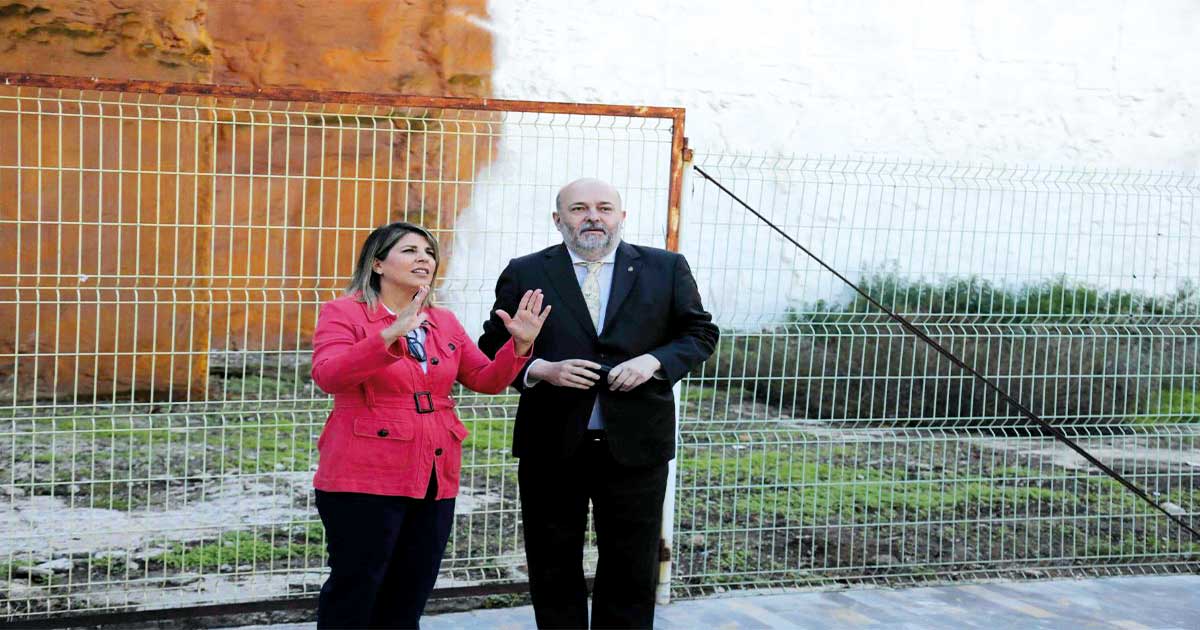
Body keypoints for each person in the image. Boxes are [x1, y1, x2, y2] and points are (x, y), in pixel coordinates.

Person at [479, 178, 719, 628]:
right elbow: (492, 345)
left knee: (631, 567)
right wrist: (542, 369)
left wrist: (653, 362)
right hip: (551, 443)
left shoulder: (665, 268)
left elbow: (700, 333)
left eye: (605, 208)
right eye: (579, 209)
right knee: (552, 564)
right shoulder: (525, 272)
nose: (593, 217)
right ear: (558, 220)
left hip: (636, 444)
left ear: (621, 217)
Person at [310, 221, 549, 628]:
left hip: (434, 472)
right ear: (378, 264)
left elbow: (486, 379)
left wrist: (520, 345)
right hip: (364, 474)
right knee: (357, 587)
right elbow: (329, 375)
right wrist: (389, 334)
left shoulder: (443, 321)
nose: (424, 259)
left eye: (429, 252)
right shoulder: (344, 312)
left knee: (411, 588)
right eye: (410, 251)